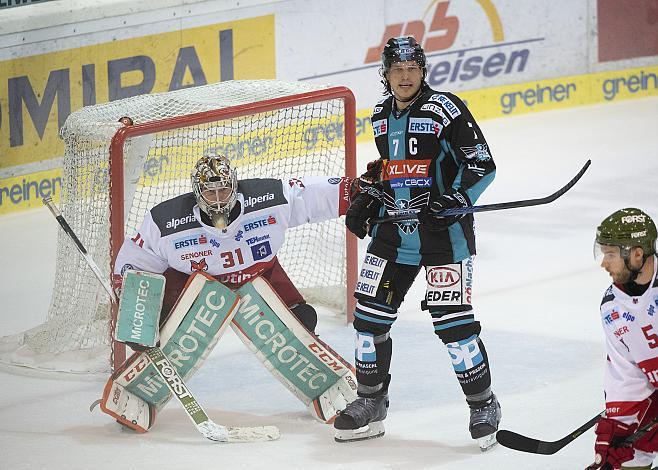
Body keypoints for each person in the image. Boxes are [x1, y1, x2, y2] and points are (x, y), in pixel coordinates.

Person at [334, 36, 501, 450]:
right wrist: (371, 191)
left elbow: (481, 164)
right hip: (394, 233)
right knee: (367, 323)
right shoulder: (378, 114)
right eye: (396, 70)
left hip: (443, 234)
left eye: (412, 69)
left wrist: (452, 199)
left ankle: (483, 404)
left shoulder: (446, 109)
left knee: (454, 326)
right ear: (386, 74)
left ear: (423, 71)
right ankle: (371, 401)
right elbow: (390, 167)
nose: (405, 77)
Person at [113, 151, 352, 336]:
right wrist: (129, 293)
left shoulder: (269, 198)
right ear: (197, 193)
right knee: (153, 327)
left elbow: (310, 197)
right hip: (195, 287)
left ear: (235, 186)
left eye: (224, 190)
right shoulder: (166, 221)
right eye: (210, 192)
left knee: (302, 320)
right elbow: (138, 256)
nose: (218, 200)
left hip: (259, 276)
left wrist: (355, 191)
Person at [590, 208, 658, 470]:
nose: (603, 263)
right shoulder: (612, 308)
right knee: (628, 455)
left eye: (610, 254)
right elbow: (626, 375)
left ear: (637, 254)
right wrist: (622, 426)